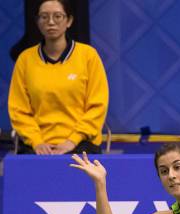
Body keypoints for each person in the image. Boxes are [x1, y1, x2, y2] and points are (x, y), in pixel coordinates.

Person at [8, 0, 109, 155]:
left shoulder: (89, 56)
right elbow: (18, 109)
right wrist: (37, 142)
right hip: (38, 146)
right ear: (37, 22)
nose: (51, 22)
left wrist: (72, 141)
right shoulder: (25, 59)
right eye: (44, 17)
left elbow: (98, 106)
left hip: (81, 143)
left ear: (69, 21)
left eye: (58, 16)